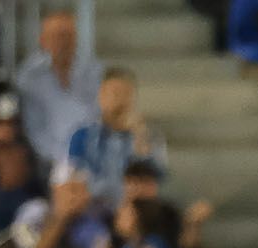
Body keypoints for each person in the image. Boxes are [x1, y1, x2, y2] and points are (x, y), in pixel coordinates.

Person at [65, 67, 165, 207]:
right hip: (94, 209)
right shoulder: (82, 136)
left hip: (137, 211)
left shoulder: (149, 135)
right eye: (115, 93)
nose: (121, 100)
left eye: (127, 94)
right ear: (101, 97)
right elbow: (77, 179)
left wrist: (140, 140)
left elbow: (156, 179)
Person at [16, 8, 102, 169]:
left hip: (91, 158)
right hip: (45, 161)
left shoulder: (95, 73)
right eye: (57, 36)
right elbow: (33, 129)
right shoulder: (29, 77)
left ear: (76, 39)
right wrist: (63, 161)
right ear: (43, 40)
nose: (63, 43)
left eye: (68, 36)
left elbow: (99, 119)